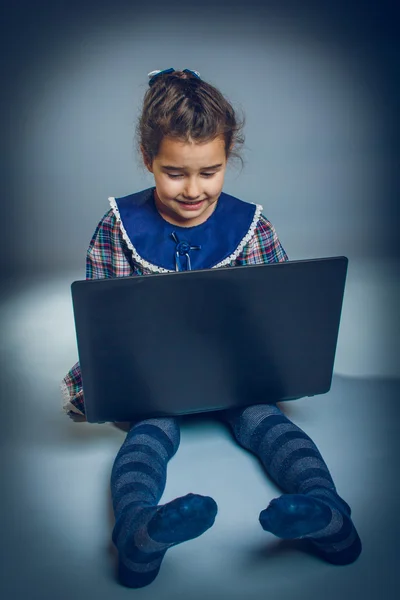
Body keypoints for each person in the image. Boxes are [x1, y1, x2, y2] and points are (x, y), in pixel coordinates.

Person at [61, 68, 362, 589]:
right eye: (175, 172)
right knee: (151, 433)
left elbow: (283, 311)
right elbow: (103, 323)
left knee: (267, 423)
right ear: (147, 158)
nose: (193, 190)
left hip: (236, 373)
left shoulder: (251, 226)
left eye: (211, 172)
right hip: (151, 380)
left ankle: (328, 514)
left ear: (228, 160)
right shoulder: (118, 226)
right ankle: (138, 536)